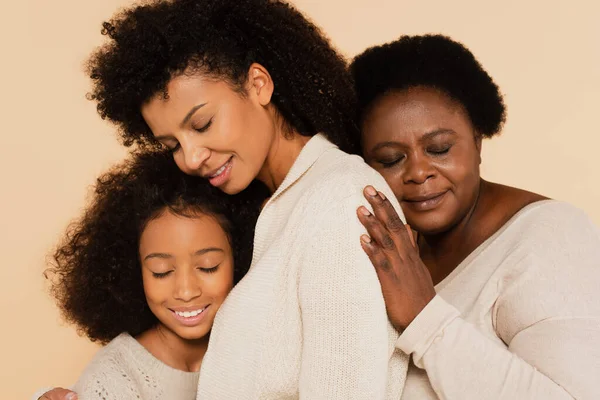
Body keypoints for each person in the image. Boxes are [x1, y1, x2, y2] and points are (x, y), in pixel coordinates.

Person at [39, 0, 408, 398]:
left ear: (258, 84)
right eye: (172, 145)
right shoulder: (268, 207)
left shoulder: (338, 198)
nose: (191, 158)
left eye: (202, 123)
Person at [350, 34, 600, 399]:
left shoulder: (551, 238)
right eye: (390, 159)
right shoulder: (397, 253)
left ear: (478, 142)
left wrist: (426, 319)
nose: (418, 172)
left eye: (439, 148)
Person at [39, 151, 266, 400]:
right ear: (133, 271)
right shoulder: (112, 378)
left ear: (241, 256)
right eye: (162, 272)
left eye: (208, 266)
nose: (186, 290)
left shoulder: (259, 351)